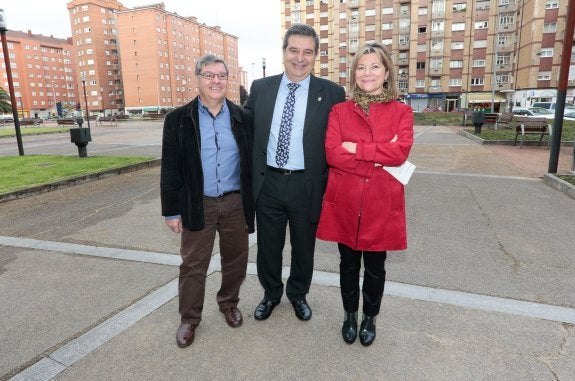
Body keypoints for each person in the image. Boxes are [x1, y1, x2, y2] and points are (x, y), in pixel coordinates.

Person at [244, 24, 346, 322]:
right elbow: (245, 130)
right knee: (268, 247)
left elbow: (343, 135)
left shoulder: (332, 93)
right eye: (294, 50)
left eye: (307, 52)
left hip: (307, 184)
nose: (299, 58)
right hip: (269, 183)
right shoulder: (261, 88)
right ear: (284, 52)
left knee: (304, 248)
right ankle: (271, 293)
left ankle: (298, 294)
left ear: (315, 56)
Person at [316, 42, 414, 346]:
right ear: (353, 73)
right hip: (345, 202)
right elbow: (332, 154)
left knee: (375, 267)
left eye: (374, 66)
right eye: (361, 67)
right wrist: (377, 161)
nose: (367, 73)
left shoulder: (402, 111)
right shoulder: (339, 111)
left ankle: (370, 318)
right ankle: (349, 315)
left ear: (386, 73)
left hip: (381, 204)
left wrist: (357, 150)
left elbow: (399, 153)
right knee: (347, 264)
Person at [160, 54, 255, 348]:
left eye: (222, 76)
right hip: (197, 203)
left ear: (229, 80)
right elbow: (171, 167)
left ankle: (228, 303)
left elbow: (251, 162)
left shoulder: (243, 117)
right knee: (193, 264)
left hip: (235, 202)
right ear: (198, 79)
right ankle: (189, 318)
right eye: (209, 75)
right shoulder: (178, 119)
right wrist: (171, 211)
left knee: (236, 260)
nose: (216, 81)